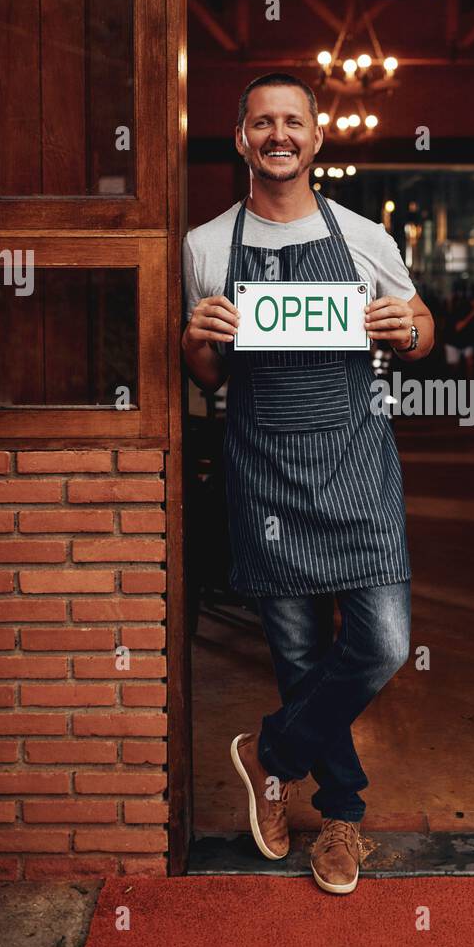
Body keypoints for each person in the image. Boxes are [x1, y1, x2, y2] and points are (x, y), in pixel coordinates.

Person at [181, 72, 435, 895]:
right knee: (297, 657)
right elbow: (207, 373)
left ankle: (270, 754)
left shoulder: (363, 236)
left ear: (318, 138)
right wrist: (196, 337)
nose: (278, 134)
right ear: (242, 137)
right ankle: (341, 817)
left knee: (384, 643)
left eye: (294, 121)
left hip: (357, 466)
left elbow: (422, 325)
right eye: (263, 122)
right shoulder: (207, 245)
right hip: (265, 469)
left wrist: (410, 327)